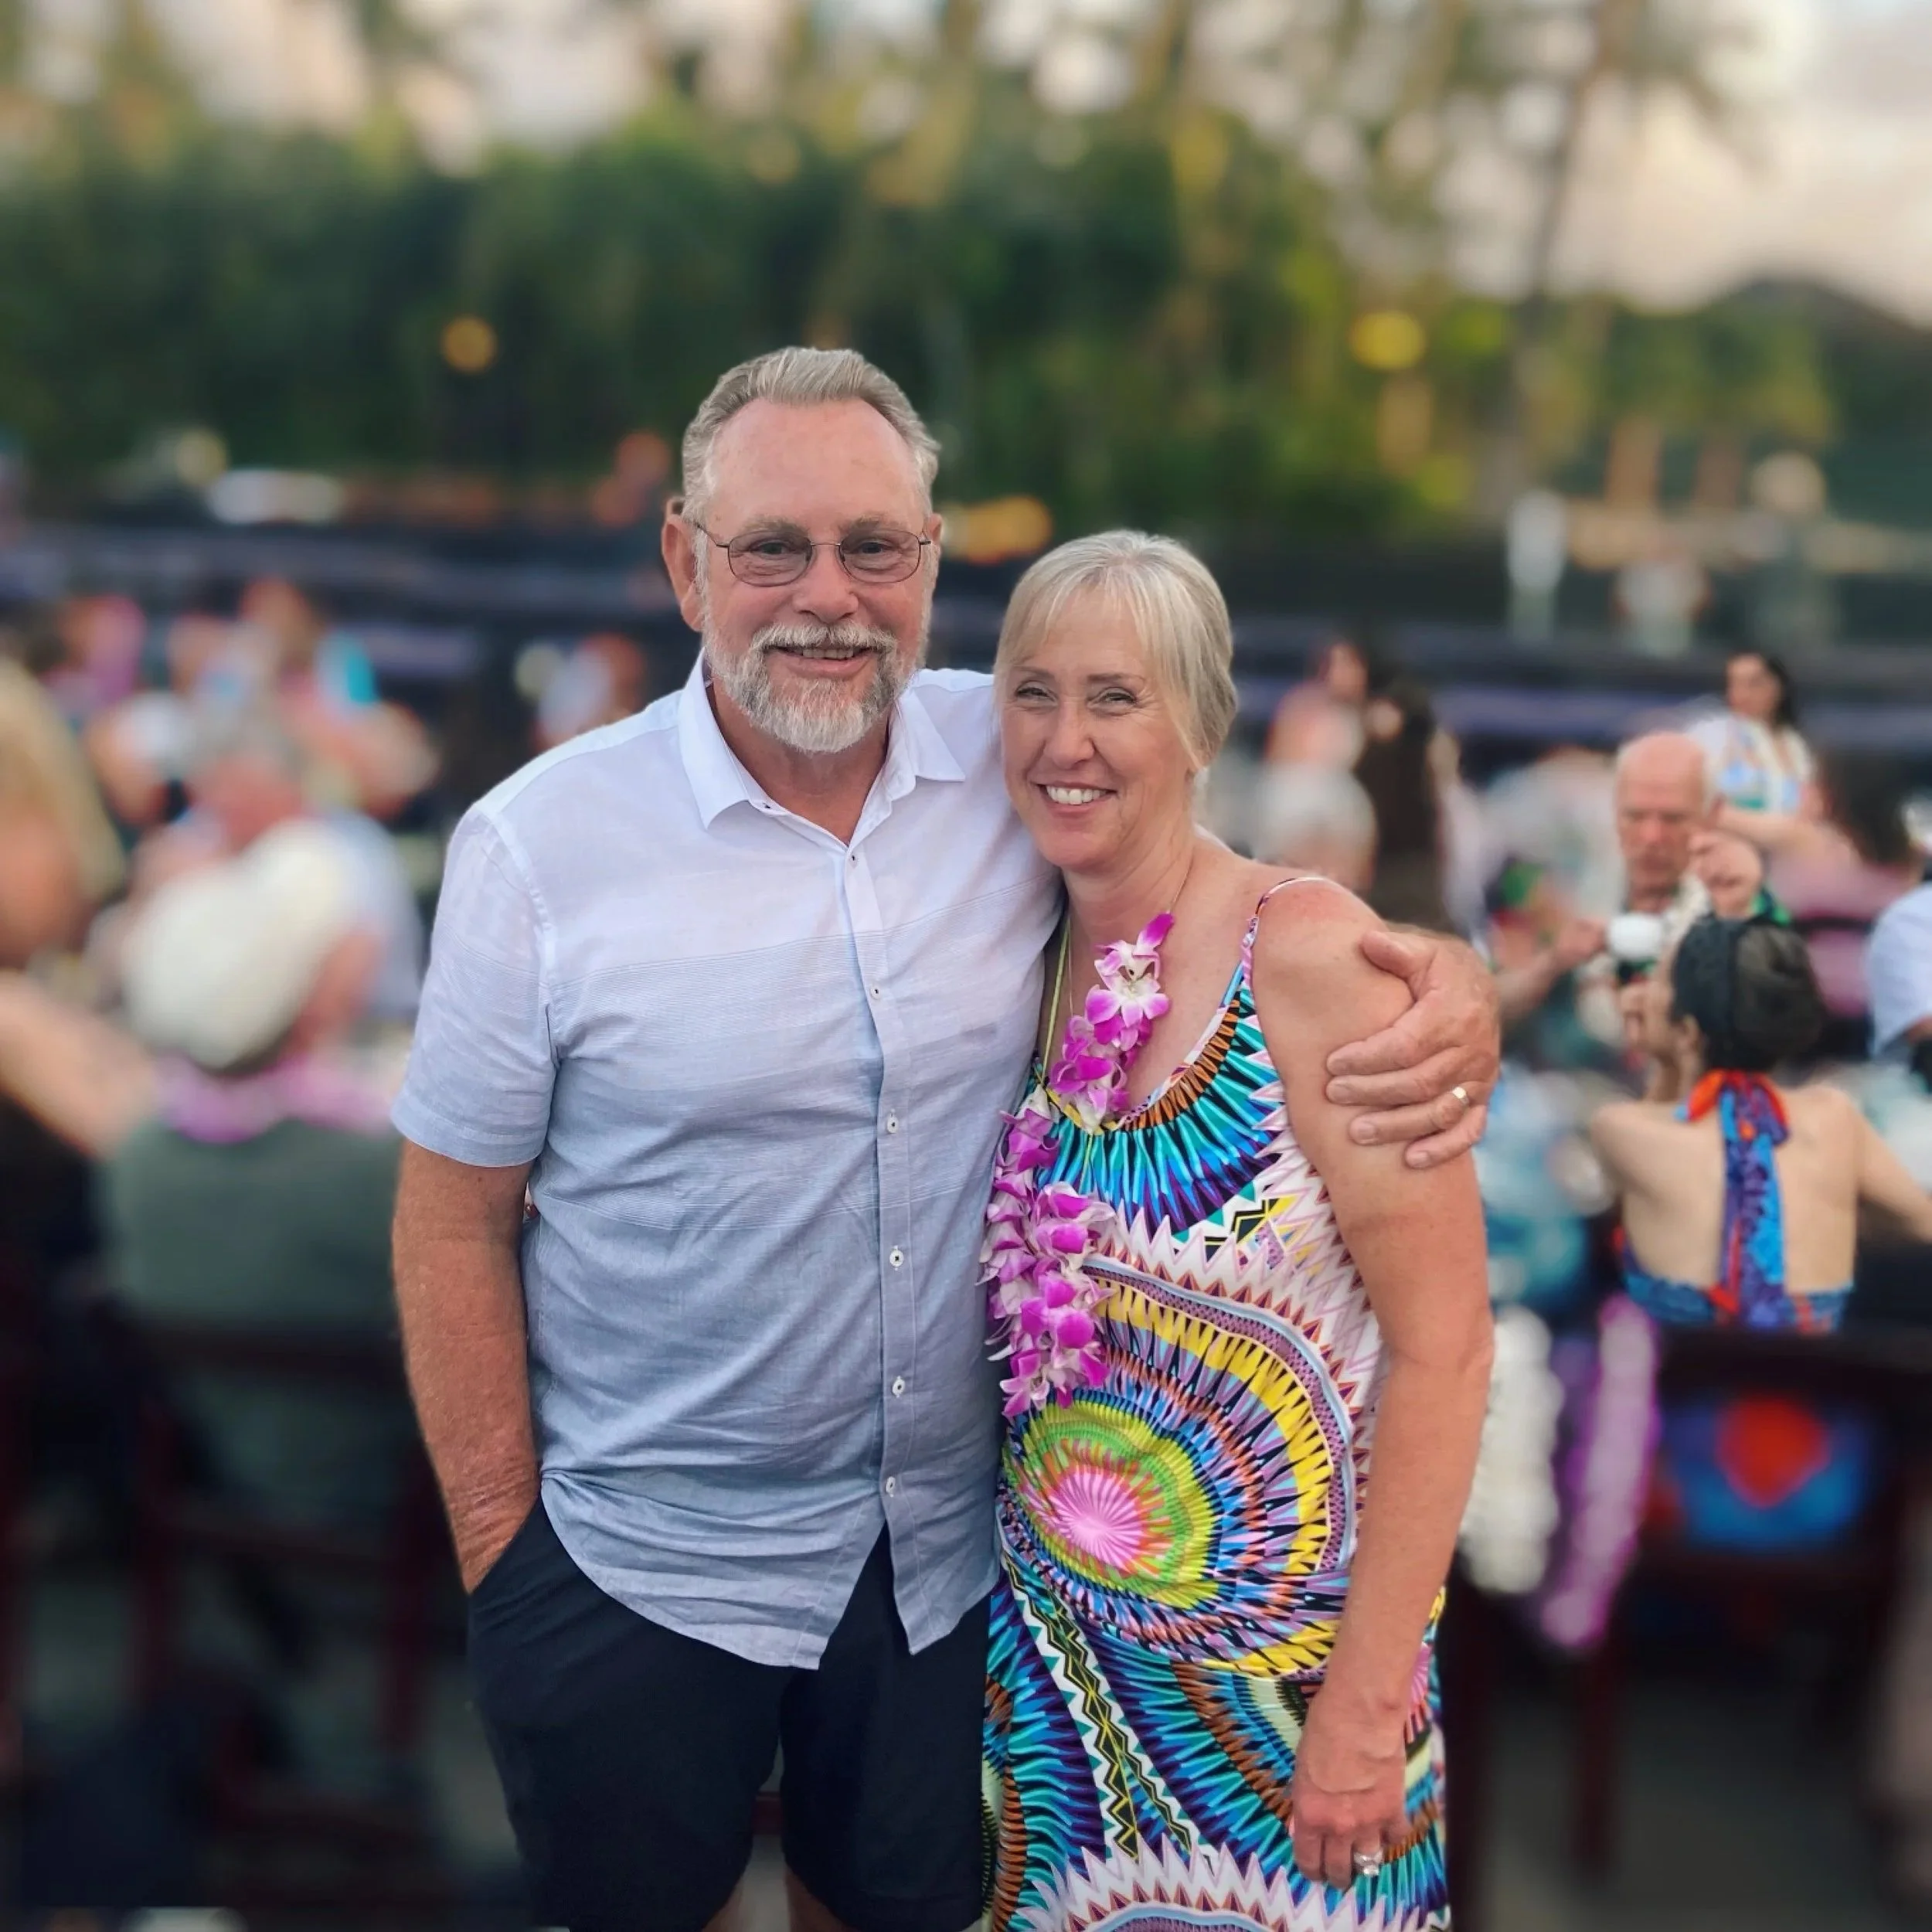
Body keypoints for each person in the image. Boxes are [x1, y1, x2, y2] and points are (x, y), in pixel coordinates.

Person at [388, 347, 1502, 1932]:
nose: (826, 595)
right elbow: (447, 1220)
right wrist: (506, 1557)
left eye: (875, 547)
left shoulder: (1006, 752)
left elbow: (1217, 871)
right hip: (642, 1566)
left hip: (939, 1585)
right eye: (773, 543)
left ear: (929, 560)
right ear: (682, 559)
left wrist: (1451, 983)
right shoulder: (541, 844)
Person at [981, 533, 1491, 1927]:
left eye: (1116, 698)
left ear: (1205, 725)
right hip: (1051, 1702)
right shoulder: (1010, 938)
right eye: (1032, 694)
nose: (1066, 741)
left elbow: (1448, 1349)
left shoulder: (1316, 963)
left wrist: (1365, 1707)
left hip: (1294, 1702)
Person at [104, 822, 407, 1528]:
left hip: (218, 1485)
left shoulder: (138, 1158)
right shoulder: (370, 1172)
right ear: (305, 998)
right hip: (386, 1491)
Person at [1593, 917, 1932, 1333]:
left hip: (1692, 1388)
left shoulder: (1619, 1129)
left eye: (1658, 981)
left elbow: (1662, 1131)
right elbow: (1922, 1223)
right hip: (1817, 1384)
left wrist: (1660, 1060)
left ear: (1688, 1031)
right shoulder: (1835, 1116)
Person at [1689, 648, 1820, 852]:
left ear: (1778, 687)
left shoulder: (1795, 745)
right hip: (1727, 849)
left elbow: (1811, 808)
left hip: (1788, 857)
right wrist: (1775, 832)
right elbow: (1699, 806)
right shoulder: (1712, 735)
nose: (1741, 695)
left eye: (1753, 684)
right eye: (1734, 684)